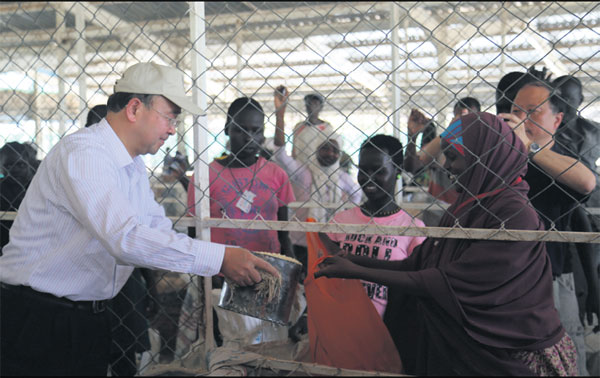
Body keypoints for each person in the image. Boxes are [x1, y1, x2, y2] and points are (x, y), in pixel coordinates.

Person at [0, 62, 278, 376]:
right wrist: (218, 259)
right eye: (170, 116)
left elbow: (153, 226)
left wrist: (221, 259)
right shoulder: (84, 154)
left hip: (84, 315)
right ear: (135, 108)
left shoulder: (129, 165)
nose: (173, 129)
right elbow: (125, 238)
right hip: (40, 316)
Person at [315, 112, 578, 375]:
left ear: (482, 156)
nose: (446, 166)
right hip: (477, 350)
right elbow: (417, 265)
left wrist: (356, 271)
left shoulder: (513, 214)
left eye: (453, 157)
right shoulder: (465, 208)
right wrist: (354, 260)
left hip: (515, 353)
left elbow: (445, 282)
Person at [178, 96, 296, 355]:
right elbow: (193, 235)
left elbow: (284, 236)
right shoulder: (205, 176)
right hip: (222, 277)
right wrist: (202, 286)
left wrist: (292, 285)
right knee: (226, 348)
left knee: (268, 350)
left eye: (257, 131)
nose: (250, 138)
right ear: (227, 129)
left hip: (268, 279)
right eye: (242, 130)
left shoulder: (277, 175)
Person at [499, 75, 596, 376]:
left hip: (551, 279)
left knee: (563, 360)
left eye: (532, 111)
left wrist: (530, 147)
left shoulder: (563, 158)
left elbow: (586, 182)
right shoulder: (503, 158)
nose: (521, 119)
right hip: (504, 278)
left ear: (557, 119)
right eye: (516, 111)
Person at [319, 134, 426, 318]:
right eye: (363, 170)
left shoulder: (413, 228)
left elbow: (415, 283)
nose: (368, 178)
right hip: (340, 321)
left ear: (397, 170)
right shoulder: (340, 222)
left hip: (387, 328)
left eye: (378, 170)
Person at [272, 85, 361, 277]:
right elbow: (281, 154)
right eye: (324, 149)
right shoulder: (305, 173)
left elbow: (357, 196)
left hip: (331, 240)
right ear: (316, 150)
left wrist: (343, 213)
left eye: (334, 150)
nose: (330, 153)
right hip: (301, 240)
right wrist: (280, 114)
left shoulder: (341, 177)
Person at [404, 97, 481, 209]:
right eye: (460, 117)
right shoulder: (443, 146)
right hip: (437, 215)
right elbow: (411, 167)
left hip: (471, 211)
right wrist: (412, 137)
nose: (465, 122)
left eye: (470, 117)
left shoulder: (484, 147)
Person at [0, 142, 39, 250]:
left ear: (30, 164)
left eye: (21, 165)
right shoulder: (2, 189)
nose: (15, 170)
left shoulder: (38, 187)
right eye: (8, 165)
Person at [290, 92, 333, 165]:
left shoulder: (327, 127)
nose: (311, 106)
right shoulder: (299, 127)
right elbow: (294, 149)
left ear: (321, 107)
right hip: (301, 165)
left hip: (318, 165)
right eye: (309, 104)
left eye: (315, 104)